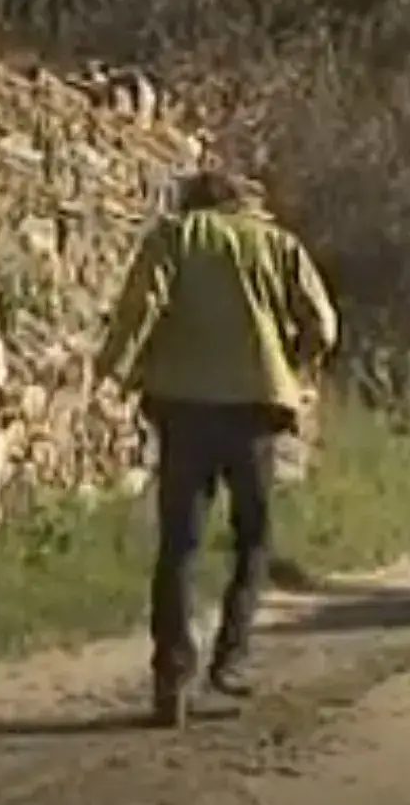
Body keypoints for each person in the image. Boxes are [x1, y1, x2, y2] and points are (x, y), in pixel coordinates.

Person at [93, 167, 339, 727]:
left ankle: (171, 675)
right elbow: (323, 325)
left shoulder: (173, 236)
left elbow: (140, 308)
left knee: (179, 542)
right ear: (242, 202)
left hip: (181, 402)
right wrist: (293, 364)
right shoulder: (277, 244)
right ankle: (231, 661)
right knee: (252, 537)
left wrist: (113, 368)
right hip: (255, 406)